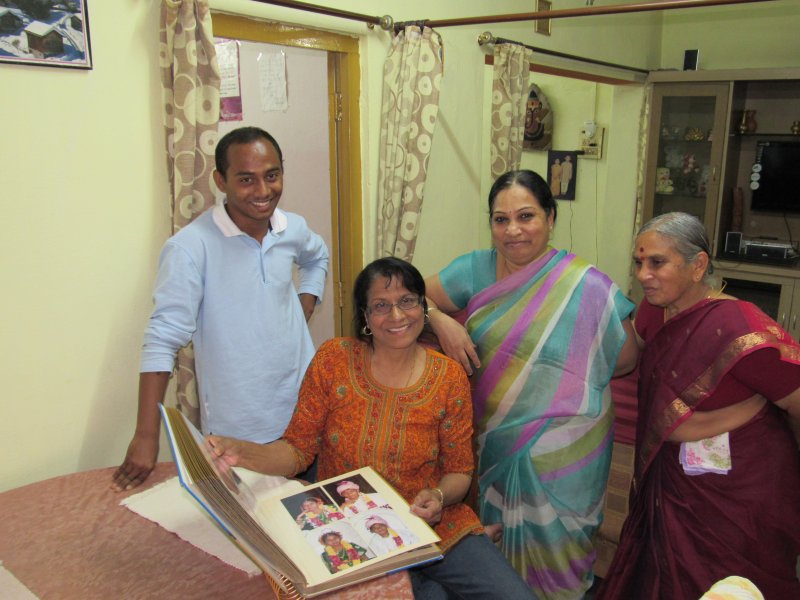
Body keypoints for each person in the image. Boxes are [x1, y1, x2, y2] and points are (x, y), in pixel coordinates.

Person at [206, 257, 536, 599]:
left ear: (424, 309)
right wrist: (243, 453)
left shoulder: (449, 377)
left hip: (435, 527)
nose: (396, 316)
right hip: (351, 531)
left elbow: (459, 472)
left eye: (407, 301)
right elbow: (297, 450)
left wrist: (437, 497)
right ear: (365, 317)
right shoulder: (334, 360)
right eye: (381, 305)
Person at [424, 169, 638, 598]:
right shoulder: (474, 268)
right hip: (498, 441)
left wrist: (566, 371)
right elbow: (410, 296)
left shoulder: (586, 284)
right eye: (500, 220)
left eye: (526, 216)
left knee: (563, 552)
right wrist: (441, 320)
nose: (513, 230)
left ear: (551, 217)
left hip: (570, 447)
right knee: (496, 556)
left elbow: (627, 356)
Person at [111, 127, 329, 492]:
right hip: (242, 430)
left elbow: (317, 255)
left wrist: (302, 308)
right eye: (246, 180)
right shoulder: (190, 248)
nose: (263, 191)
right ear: (220, 181)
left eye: (272, 176)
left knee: (312, 525)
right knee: (259, 537)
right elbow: (162, 340)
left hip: (308, 409)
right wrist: (146, 434)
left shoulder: (291, 228)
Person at [597, 212, 800, 599]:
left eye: (657, 262)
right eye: (639, 262)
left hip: (739, 491)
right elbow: (643, 363)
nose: (643, 275)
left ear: (698, 265)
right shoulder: (654, 311)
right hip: (672, 480)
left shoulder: (740, 328)